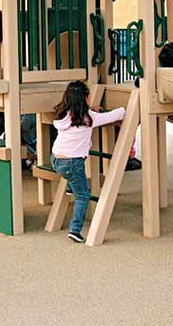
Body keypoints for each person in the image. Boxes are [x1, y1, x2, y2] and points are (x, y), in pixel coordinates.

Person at [51, 80, 127, 243]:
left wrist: (91, 109)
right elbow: (113, 116)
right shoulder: (89, 118)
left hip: (56, 159)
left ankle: (70, 188)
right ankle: (75, 230)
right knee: (83, 196)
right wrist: (124, 109)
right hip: (72, 163)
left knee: (72, 178)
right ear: (85, 99)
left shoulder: (63, 115)